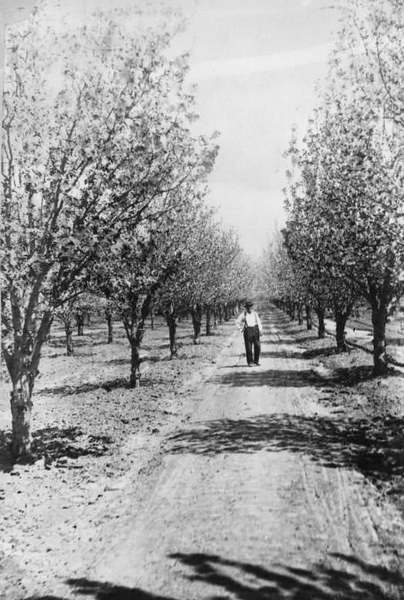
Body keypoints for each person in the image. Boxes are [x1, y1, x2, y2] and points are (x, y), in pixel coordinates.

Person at [236, 300, 263, 366]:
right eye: (248, 307)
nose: (250, 308)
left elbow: (259, 322)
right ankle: (250, 362)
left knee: (257, 346)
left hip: (255, 330)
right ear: (246, 308)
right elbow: (237, 322)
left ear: (252, 307)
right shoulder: (243, 314)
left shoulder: (255, 313)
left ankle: (256, 361)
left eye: (251, 307)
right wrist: (242, 328)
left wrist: (260, 330)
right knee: (248, 347)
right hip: (247, 331)